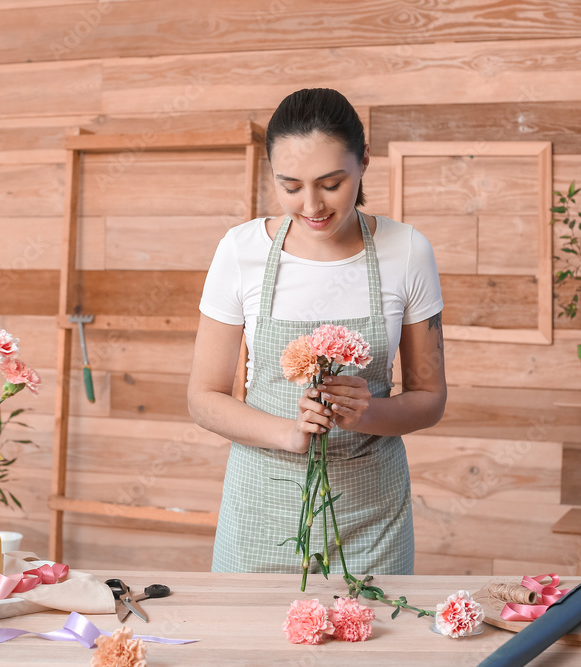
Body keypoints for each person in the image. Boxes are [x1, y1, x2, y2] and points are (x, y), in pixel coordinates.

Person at [188, 88, 447, 576]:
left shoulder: (408, 251)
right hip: (259, 510)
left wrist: (367, 411)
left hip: (371, 519)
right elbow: (204, 397)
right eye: (290, 186)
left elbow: (430, 396)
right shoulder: (239, 251)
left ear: (365, 161)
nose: (311, 206)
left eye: (331, 183)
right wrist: (289, 433)